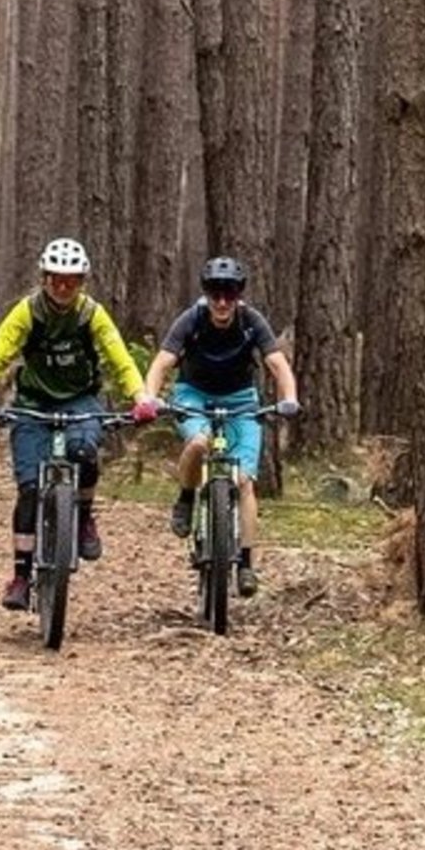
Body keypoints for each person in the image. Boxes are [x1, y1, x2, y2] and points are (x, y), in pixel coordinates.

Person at [0, 237, 157, 611]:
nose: (63, 288)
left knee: (83, 453)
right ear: (44, 279)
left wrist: (141, 398)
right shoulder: (28, 312)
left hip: (80, 400)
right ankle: (21, 575)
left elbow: (119, 358)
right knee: (29, 488)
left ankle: (83, 517)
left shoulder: (90, 314)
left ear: (82, 281)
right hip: (33, 402)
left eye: (72, 281)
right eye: (56, 280)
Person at [140, 256, 299, 598]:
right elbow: (162, 363)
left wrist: (289, 398)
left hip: (241, 402)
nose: (222, 302)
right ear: (207, 294)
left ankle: (245, 564)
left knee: (244, 481)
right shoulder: (192, 320)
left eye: (230, 294)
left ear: (239, 294)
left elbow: (277, 363)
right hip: (193, 397)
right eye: (215, 294)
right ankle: (185, 498)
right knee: (198, 443)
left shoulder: (251, 321)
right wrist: (150, 398)